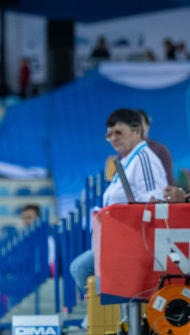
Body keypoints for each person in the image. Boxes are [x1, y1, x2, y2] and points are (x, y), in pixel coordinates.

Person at [70, 108, 166, 299]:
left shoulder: (144, 159)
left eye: (119, 133)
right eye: (109, 134)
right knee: (80, 268)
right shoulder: (127, 161)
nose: (113, 138)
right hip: (117, 240)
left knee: (81, 268)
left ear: (137, 131)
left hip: (135, 243)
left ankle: (106, 318)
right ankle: (105, 317)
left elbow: (154, 203)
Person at [136, 109, 174, 186]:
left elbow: (169, 183)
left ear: (148, 126)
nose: (137, 128)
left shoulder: (160, 150)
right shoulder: (124, 155)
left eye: (140, 124)